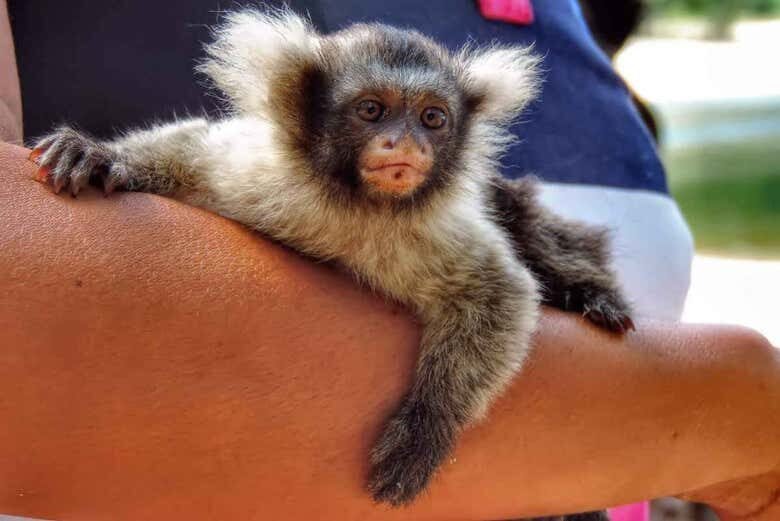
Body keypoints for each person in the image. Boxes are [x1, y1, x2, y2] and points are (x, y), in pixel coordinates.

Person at [0, 1, 778, 519]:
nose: (403, 142)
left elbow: (491, 302)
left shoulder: (444, 219)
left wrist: (435, 410)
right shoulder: (250, 161)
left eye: (430, 119)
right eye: (372, 112)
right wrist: (105, 162)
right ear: (296, 103)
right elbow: (176, 157)